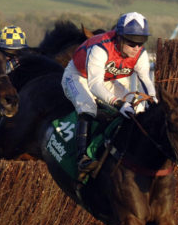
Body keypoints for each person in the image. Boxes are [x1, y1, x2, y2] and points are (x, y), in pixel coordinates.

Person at [61, 12, 157, 181]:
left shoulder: (140, 54)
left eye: (141, 42)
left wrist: (154, 100)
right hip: (78, 76)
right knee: (87, 106)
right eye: (132, 42)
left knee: (136, 108)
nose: (137, 47)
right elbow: (94, 85)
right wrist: (118, 104)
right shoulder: (100, 48)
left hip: (106, 79)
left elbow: (146, 81)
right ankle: (82, 157)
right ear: (119, 38)